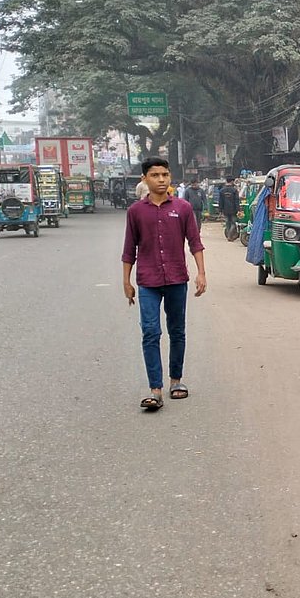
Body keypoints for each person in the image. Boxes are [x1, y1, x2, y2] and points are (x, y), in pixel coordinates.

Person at [122, 157, 207, 412]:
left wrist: (201, 273)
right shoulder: (135, 212)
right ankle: (155, 389)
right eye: (155, 175)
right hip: (147, 281)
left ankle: (176, 381)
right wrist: (125, 281)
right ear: (145, 179)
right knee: (150, 332)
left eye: (165, 175)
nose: (161, 180)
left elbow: (195, 242)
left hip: (176, 279)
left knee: (177, 330)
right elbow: (129, 249)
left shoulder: (182, 208)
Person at [218, 176, 240, 240]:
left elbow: (220, 201)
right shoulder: (234, 190)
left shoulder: (222, 190)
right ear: (232, 181)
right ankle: (230, 235)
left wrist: (220, 210)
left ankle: (228, 235)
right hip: (233, 210)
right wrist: (238, 210)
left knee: (227, 223)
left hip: (225, 210)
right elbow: (236, 201)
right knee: (233, 223)